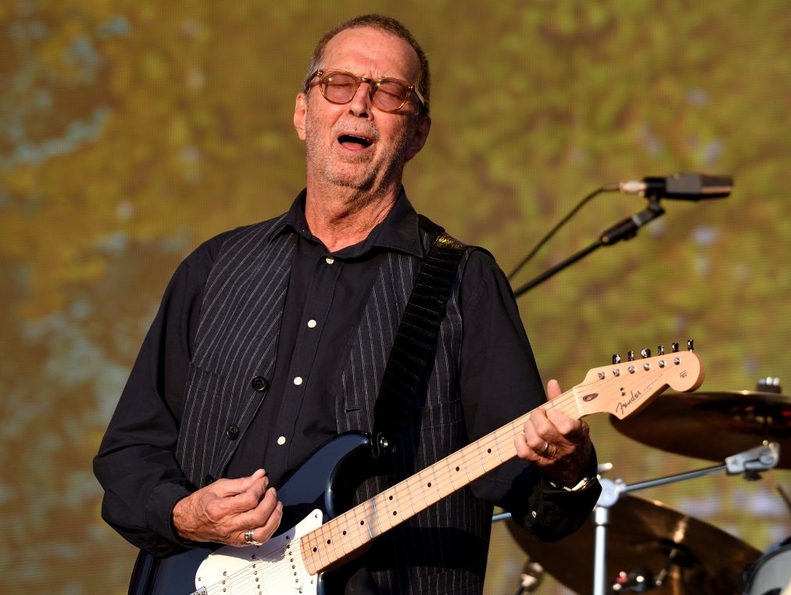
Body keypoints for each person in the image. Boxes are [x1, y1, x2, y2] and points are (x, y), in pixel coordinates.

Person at [94, 13, 601, 595]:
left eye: (389, 93)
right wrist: (184, 513)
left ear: (417, 134)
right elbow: (130, 453)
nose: (360, 103)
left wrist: (566, 468)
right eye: (338, 84)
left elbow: (535, 503)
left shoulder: (465, 281)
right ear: (302, 114)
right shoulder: (215, 268)